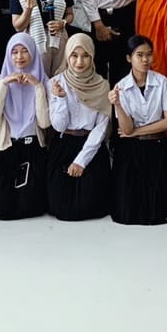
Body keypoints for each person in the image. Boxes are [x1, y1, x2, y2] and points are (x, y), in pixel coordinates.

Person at [108, 35, 167, 225]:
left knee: (157, 207)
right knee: (127, 208)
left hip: (157, 144)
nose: (145, 59)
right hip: (131, 148)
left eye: (149, 54)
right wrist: (118, 105)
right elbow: (126, 128)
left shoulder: (162, 82)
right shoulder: (121, 87)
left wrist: (137, 131)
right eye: (139, 55)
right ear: (129, 58)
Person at [0, 33, 52, 221]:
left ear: (33, 53)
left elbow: (45, 123)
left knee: (31, 207)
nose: (19, 57)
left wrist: (38, 87)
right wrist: (4, 85)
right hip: (6, 148)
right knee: (0, 208)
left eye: (24, 51)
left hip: (33, 149)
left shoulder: (44, 81)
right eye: (14, 52)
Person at [46, 33, 112, 221]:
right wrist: (60, 98)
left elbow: (101, 128)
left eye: (85, 56)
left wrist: (81, 161)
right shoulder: (56, 82)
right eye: (74, 56)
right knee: (61, 206)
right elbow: (58, 126)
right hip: (63, 145)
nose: (79, 62)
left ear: (92, 56)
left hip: (92, 146)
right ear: (67, 56)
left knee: (91, 204)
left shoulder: (102, 85)